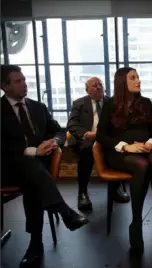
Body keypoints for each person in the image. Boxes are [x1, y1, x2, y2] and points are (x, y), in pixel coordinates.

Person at [1, 65, 88, 267]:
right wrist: (32, 151)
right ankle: (64, 212)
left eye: (24, 79)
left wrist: (55, 142)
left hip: (35, 170)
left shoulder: (37, 107)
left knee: (33, 179)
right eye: (17, 81)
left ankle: (36, 244)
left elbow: (58, 130)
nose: (24, 84)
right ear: (4, 86)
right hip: (7, 168)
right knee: (32, 169)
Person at [96, 67, 152, 253]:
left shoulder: (146, 103)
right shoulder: (110, 105)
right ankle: (136, 224)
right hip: (120, 152)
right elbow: (101, 136)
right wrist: (125, 146)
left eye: (138, 77)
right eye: (133, 78)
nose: (138, 80)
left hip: (145, 149)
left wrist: (149, 142)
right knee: (141, 165)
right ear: (122, 82)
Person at [67, 77, 130, 211]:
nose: (98, 87)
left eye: (100, 84)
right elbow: (72, 124)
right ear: (87, 90)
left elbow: (122, 122)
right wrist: (86, 134)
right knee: (86, 153)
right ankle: (82, 193)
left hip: (107, 140)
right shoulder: (79, 103)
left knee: (115, 151)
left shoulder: (112, 102)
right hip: (88, 139)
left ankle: (116, 188)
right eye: (94, 86)